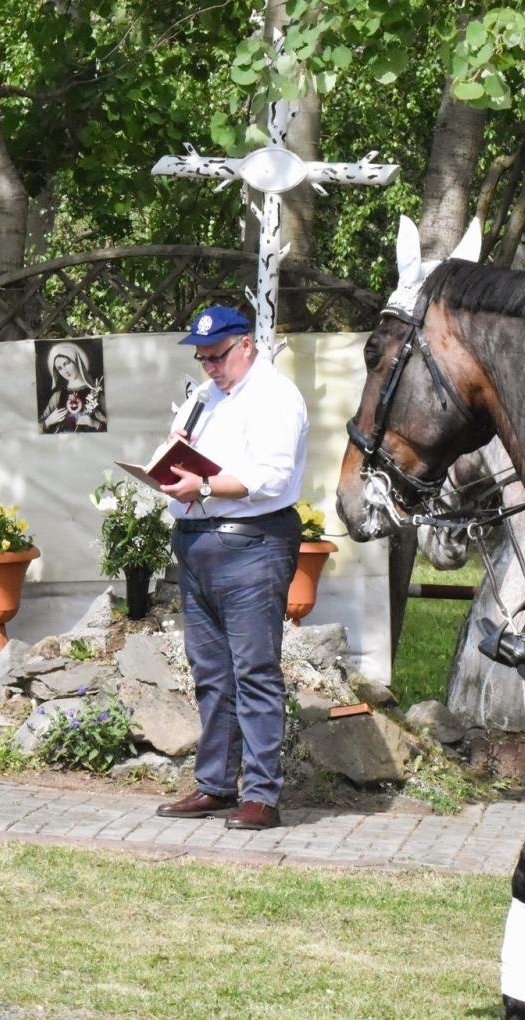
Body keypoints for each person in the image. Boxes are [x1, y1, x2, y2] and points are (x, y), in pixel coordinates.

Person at [154, 305, 308, 830]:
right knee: (211, 673)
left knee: (255, 671)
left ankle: (262, 795)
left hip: (253, 544)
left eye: (218, 356)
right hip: (198, 544)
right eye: (202, 359)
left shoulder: (274, 396)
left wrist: (200, 486)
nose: (211, 367)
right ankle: (217, 785)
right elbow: (175, 447)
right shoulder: (204, 398)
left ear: (246, 344)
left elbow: (270, 475)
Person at [40, 342, 106, 433]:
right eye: (59, 368)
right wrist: (48, 422)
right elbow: (35, 429)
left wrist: (95, 423)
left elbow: (115, 425)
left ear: (75, 360)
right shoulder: (57, 396)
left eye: (66, 363)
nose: (65, 371)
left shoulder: (95, 393)